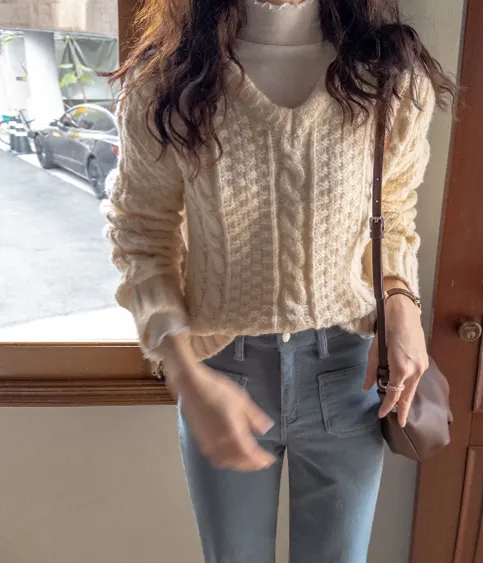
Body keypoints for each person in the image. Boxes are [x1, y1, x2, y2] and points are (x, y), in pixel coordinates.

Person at [103, 0, 454, 561]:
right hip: (222, 372)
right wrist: (186, 377)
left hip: (349, 374)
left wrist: (403, 305)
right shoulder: (166, 83)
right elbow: (141, 236)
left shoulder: (388, 76)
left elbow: (392, 212)